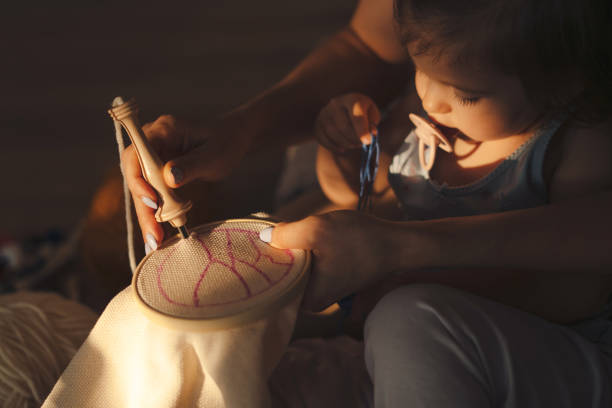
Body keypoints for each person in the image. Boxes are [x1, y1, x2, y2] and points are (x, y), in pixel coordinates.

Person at [122, 0, 612, 406]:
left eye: (464, 94)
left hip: (554, 345)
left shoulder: (575, 147)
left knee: (405, 322)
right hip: (407, 311)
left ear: (561, 82)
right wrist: (340, 149)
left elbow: (575, 294)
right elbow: (357, 195)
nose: (432, 100)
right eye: (419, 68)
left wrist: (407, 265)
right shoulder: (427, 121)